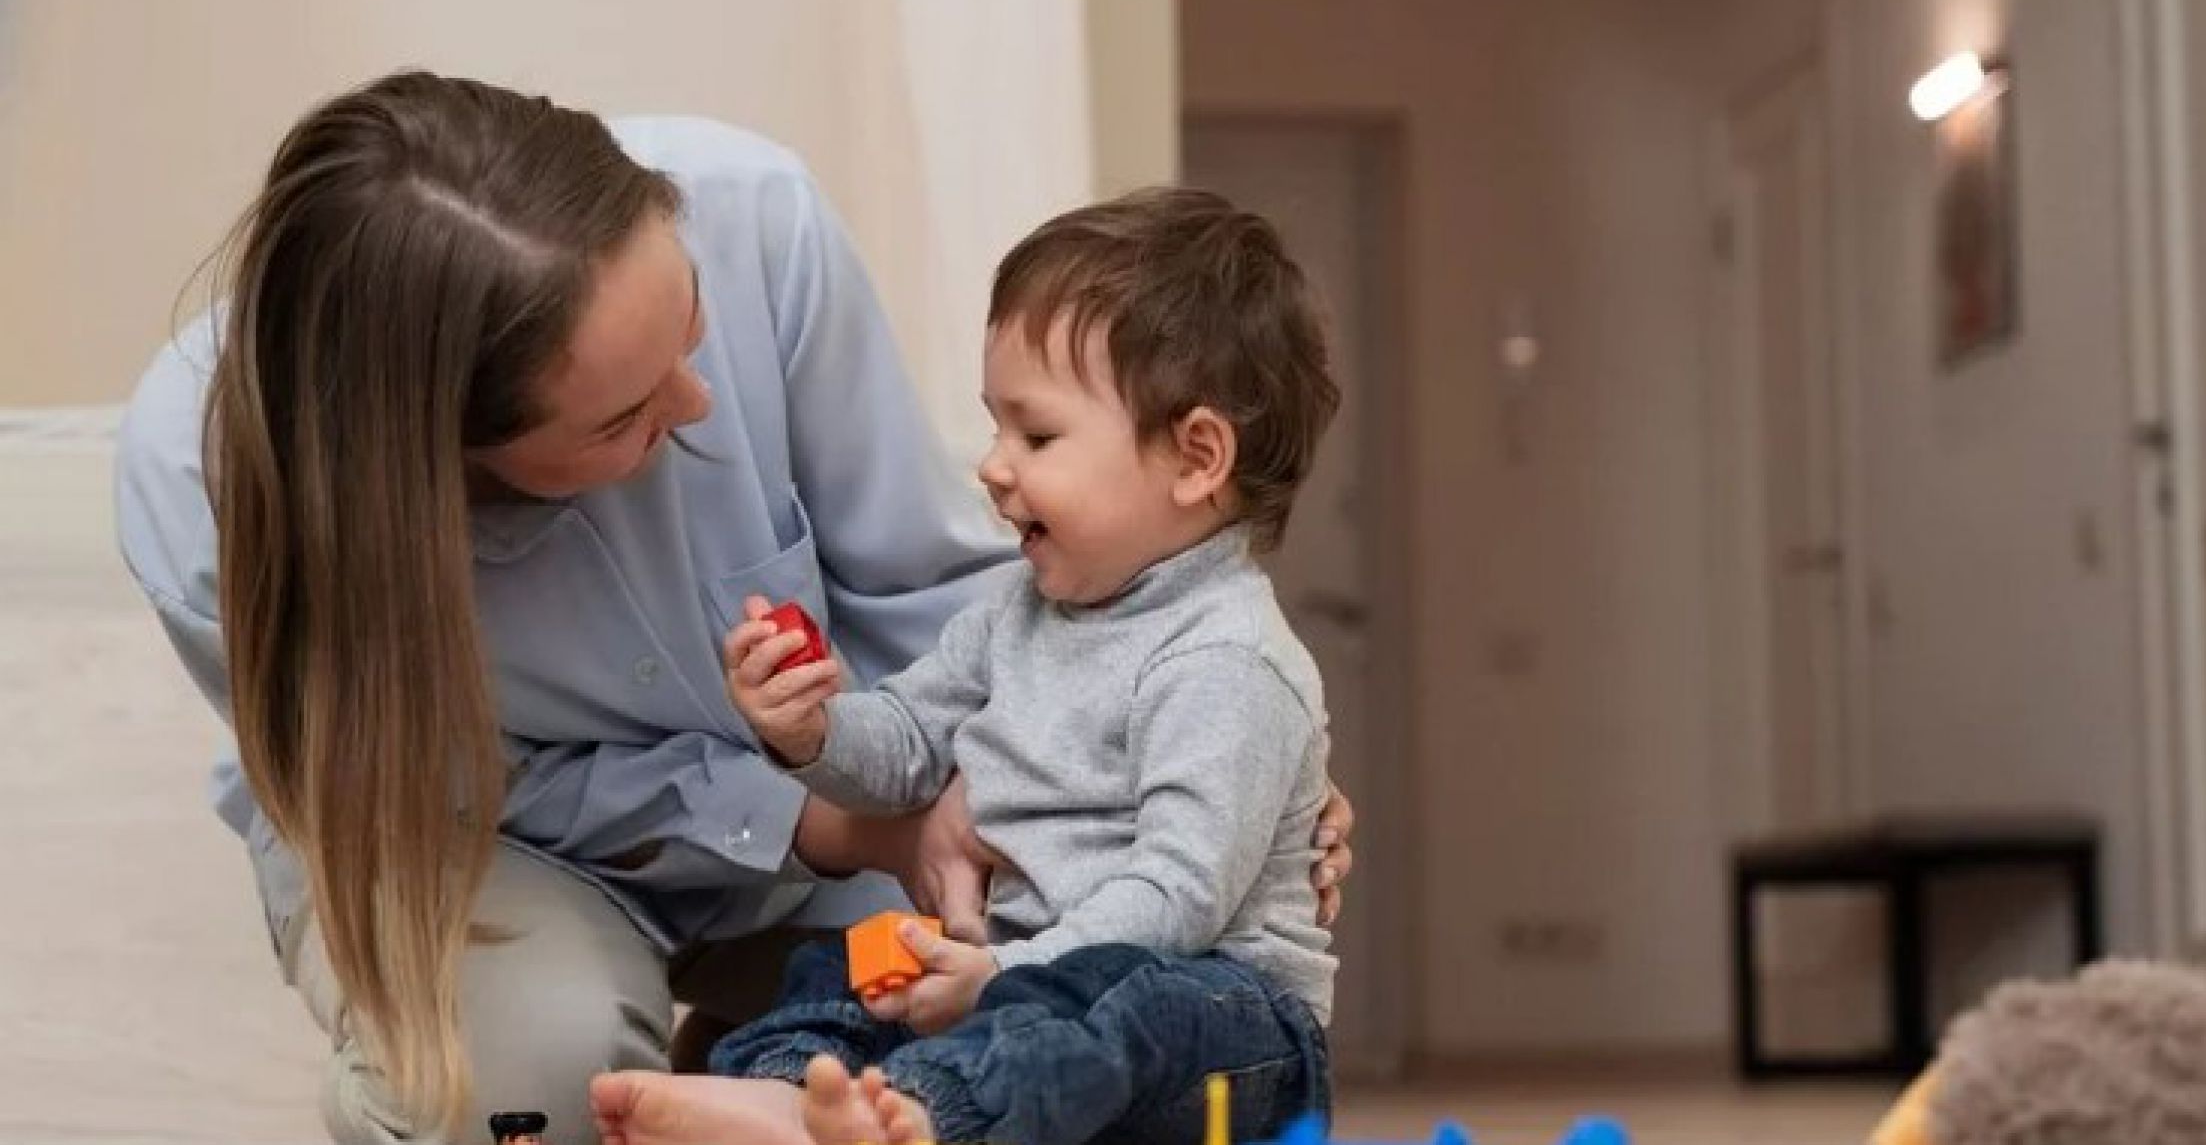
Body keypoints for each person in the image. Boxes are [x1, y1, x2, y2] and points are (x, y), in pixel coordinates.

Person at [113, 71, 1356, 1145]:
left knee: (1005, 1014)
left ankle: (792, 1083)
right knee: (546, 1074)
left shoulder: (753, 215)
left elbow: (946, 604)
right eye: (624, 417)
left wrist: (1175, 782)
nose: (699, 407)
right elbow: (435, 788)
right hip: (478, 836)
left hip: (1011, 920)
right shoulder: (201, 501)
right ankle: (731, 1086)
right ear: (448, 459)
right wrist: (825, 802)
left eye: (692, 332)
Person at [591, 187, 1339, 1145]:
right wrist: (808, 728)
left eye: (1035, 436)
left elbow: (1177, 898)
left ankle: (928, 1113)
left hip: (1222, 1020)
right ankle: (791, 1095)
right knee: (845, 968)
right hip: (1026, 976)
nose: (992, 466)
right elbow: (904, 746)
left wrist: (1009, 978)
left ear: (1196, 458)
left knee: (1127, 1008)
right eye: (995, 429)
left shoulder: (1229, 661)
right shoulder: (1020, 613)